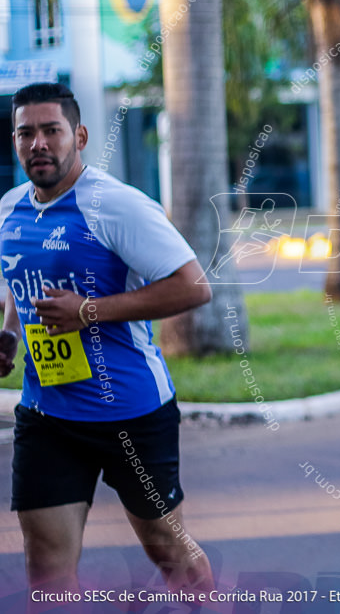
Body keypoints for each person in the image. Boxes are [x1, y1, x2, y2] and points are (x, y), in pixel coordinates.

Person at [0, 83, 214, 597]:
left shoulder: (115, 205)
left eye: (51, 131)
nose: (39, 144)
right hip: (48, 413)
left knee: (167, 547)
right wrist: (8, 333)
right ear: (14, 141)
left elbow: (194, 286)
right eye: (26, 133)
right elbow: (17, 283)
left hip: (132, 413)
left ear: (79, 135)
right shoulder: (9, 209)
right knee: (47, 570)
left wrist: (88, 312)